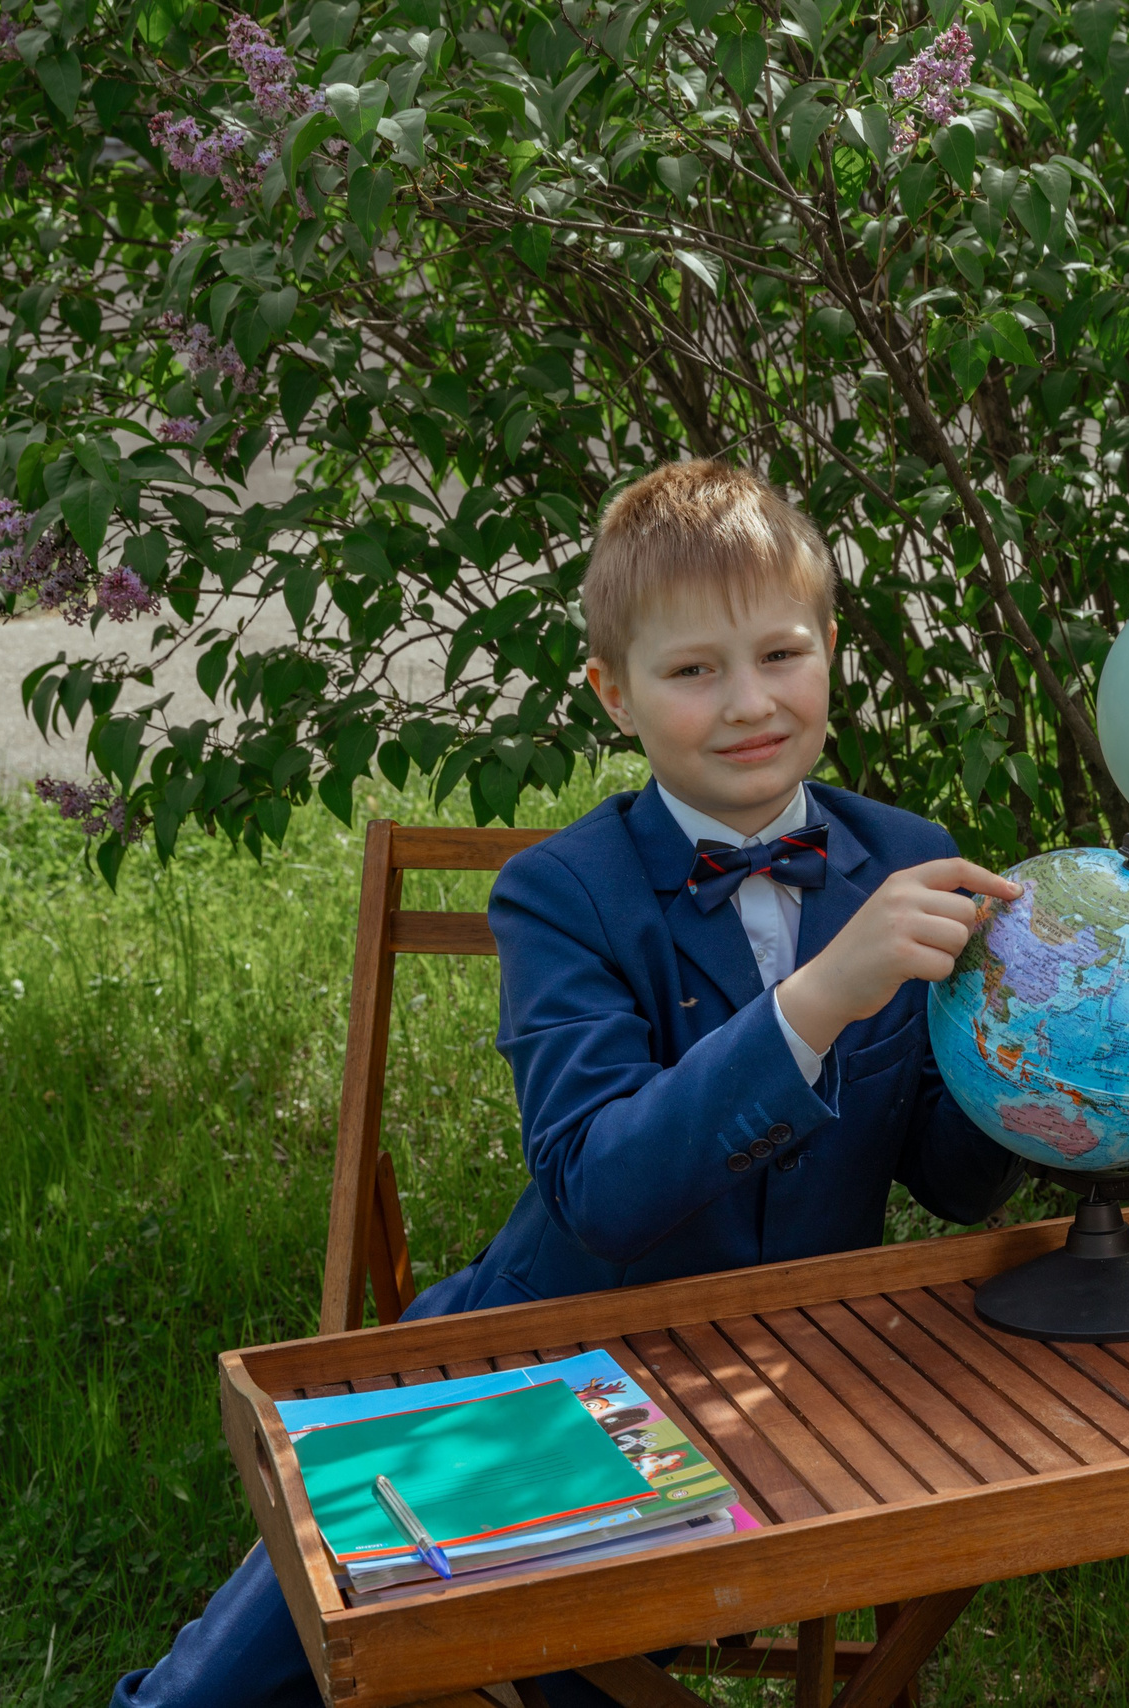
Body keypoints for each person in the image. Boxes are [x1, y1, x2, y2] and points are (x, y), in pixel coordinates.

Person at [113, 461, 1026, 1708]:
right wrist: (819, 999)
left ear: (829, 654)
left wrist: (1040, 1078)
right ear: (615, 692)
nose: (751, 703)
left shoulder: (905, 855)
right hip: (546, 1351)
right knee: (208, 1698)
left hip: (802, 1373)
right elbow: (600, 1184)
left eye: (782, 653)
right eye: (694, 670)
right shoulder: (560, 890)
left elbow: (947, 1176)